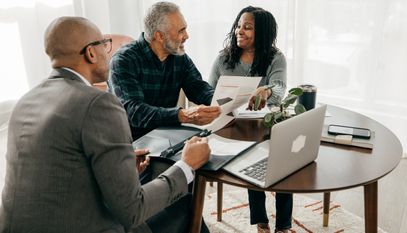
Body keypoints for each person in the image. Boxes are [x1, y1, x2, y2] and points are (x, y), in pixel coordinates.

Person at [0, 16, 210, 233]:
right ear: (91, 52)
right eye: (104, 44)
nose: (108, 52)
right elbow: (133, 210)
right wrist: (186, 165)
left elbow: (61, 170)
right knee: (186, 205)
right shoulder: (98, 103)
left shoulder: (25, 101)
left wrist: (121, 165)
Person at [209, 6, 292, 233]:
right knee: (250, 158)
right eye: (238, 25)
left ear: (262, 32)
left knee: (285, 163)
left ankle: (283, 225)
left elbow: (279, 90)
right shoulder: (223, 59)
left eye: (247, 27)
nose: (239, 31)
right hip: (234, 126)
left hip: (265, 125)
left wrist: (265, 90)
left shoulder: (276, 58)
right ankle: (261, 221)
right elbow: (208, 92)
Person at [108, 1, 221, 140]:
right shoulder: (123, 60)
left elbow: (198, 88)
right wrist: (182, 115)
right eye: (181, 30)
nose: (187, 36)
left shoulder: (179, 57)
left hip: (165, 136)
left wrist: (223, 101)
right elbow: (134, 112)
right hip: (132, 143)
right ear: (160, 36)